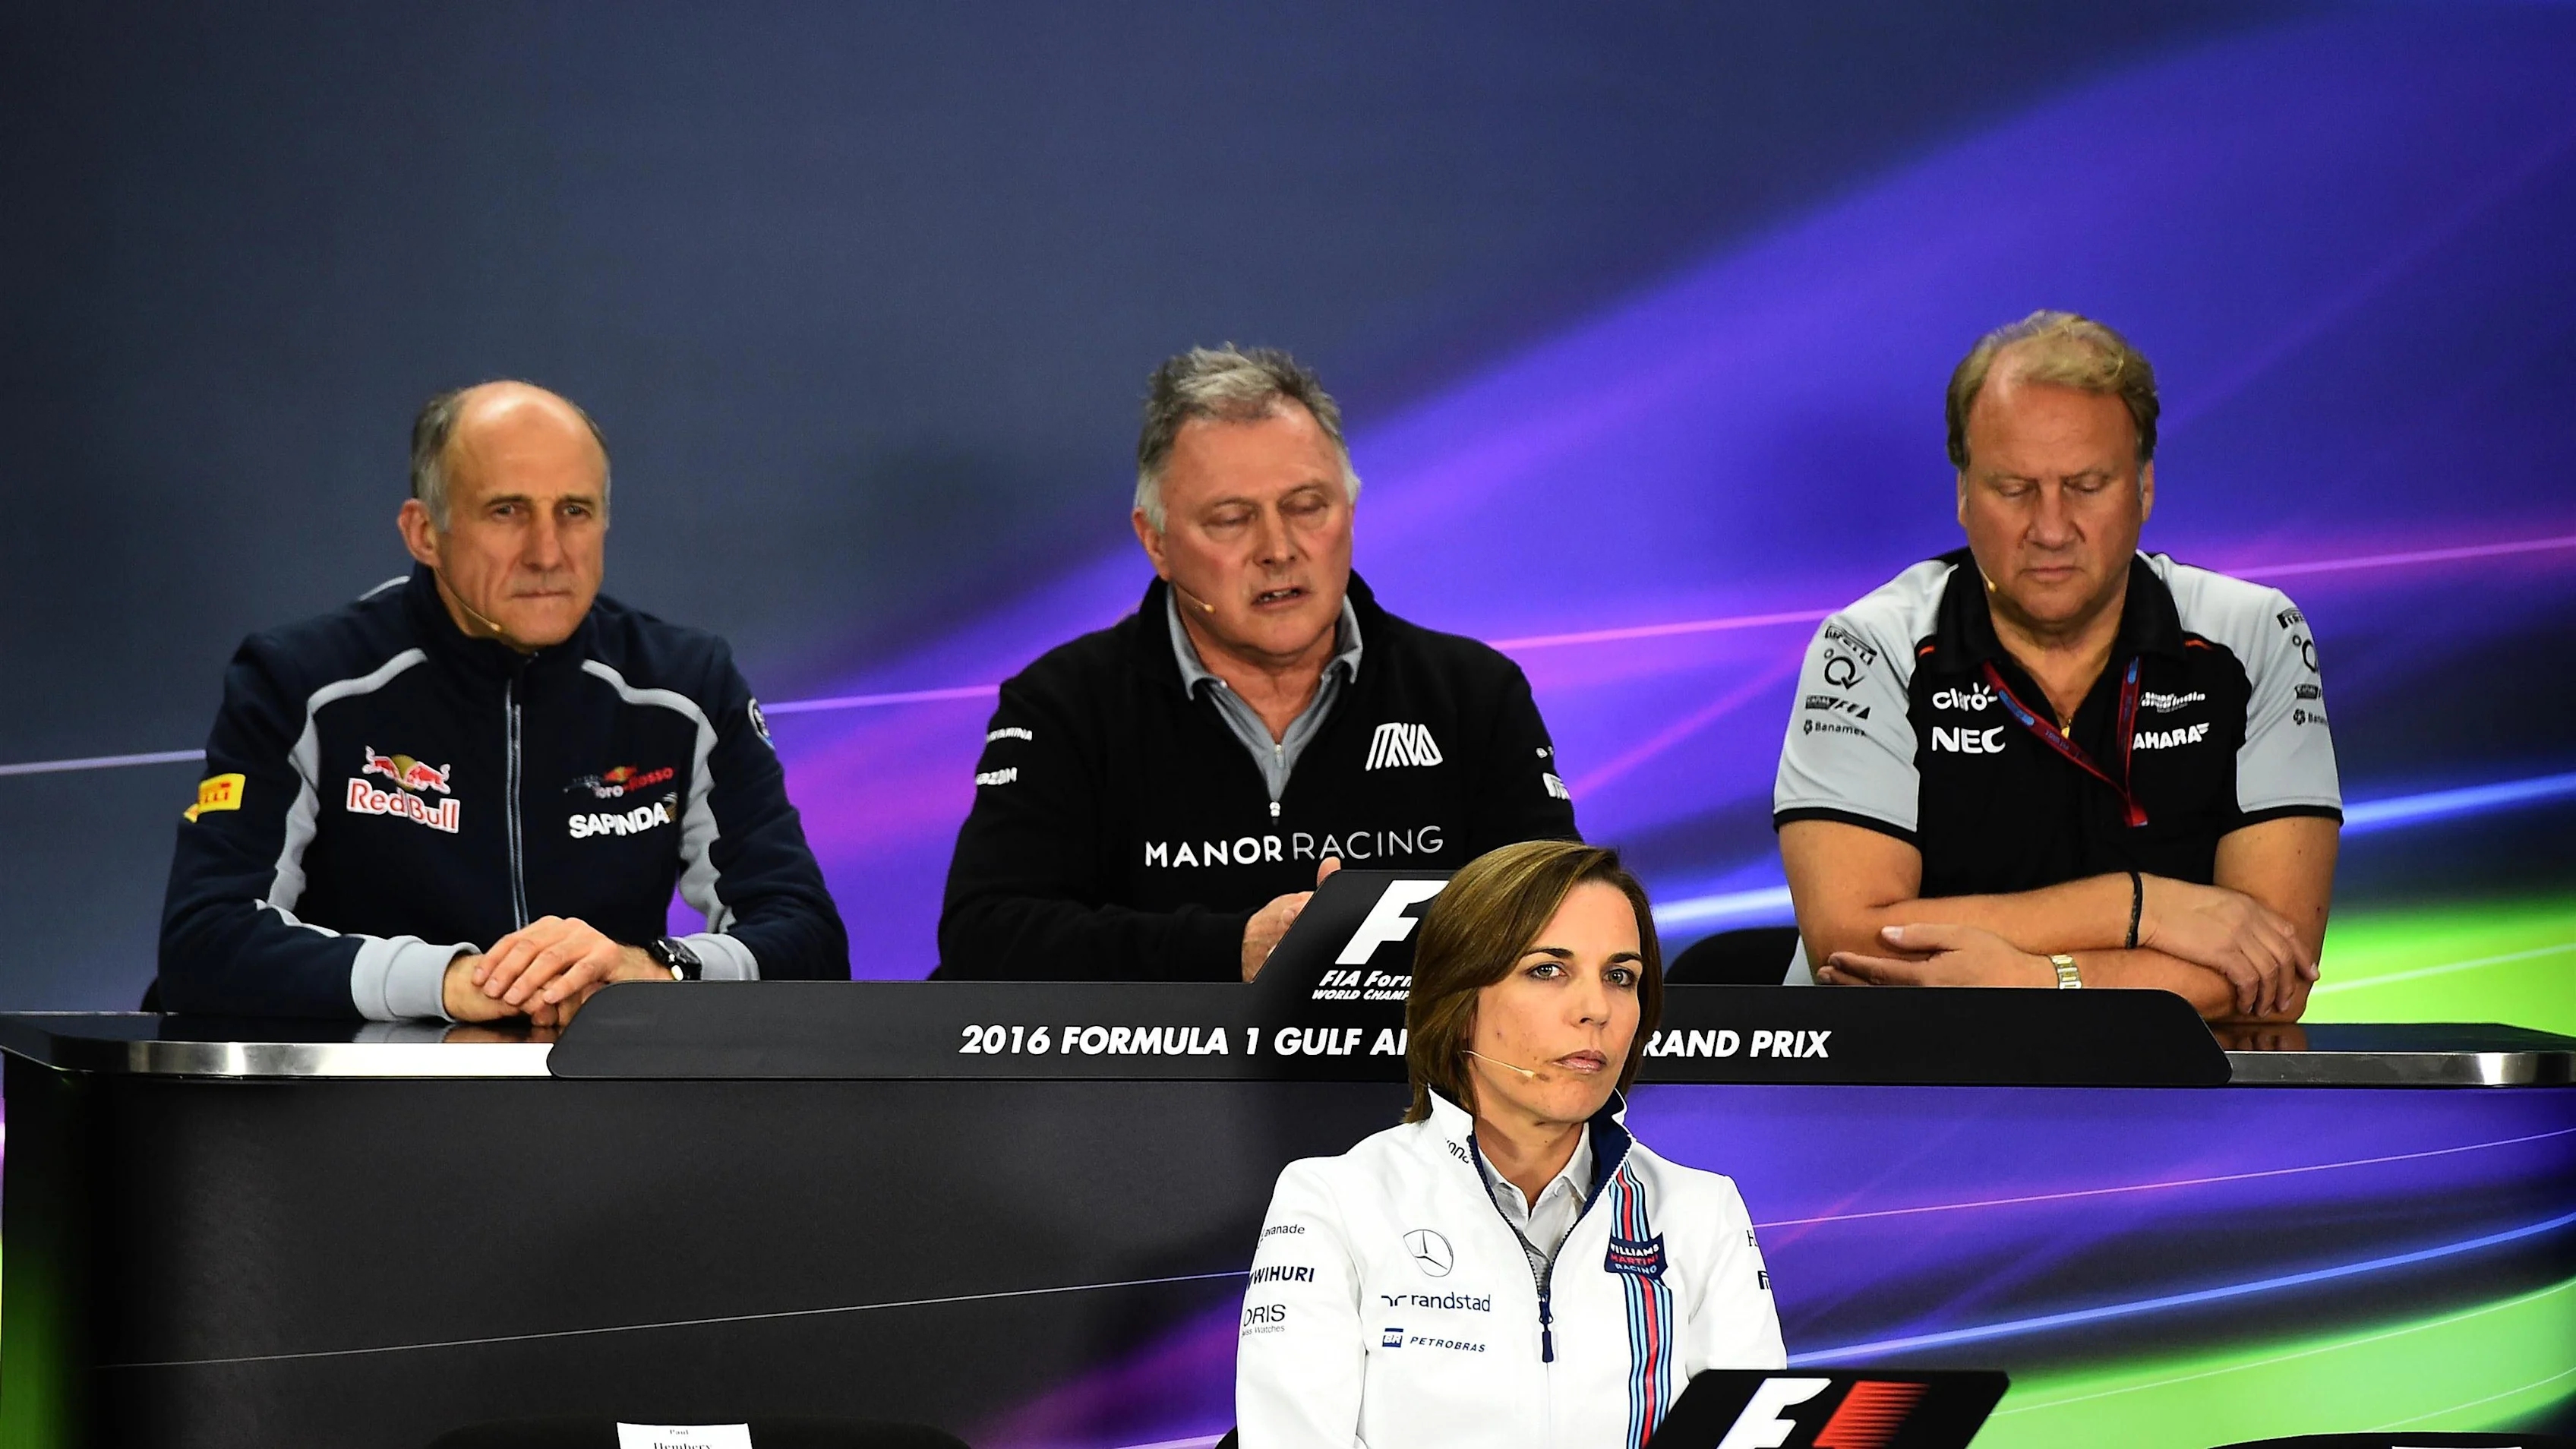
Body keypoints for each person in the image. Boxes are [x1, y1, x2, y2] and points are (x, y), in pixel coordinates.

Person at [158, 381, 847, 1022]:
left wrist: (655, 972)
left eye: (574, 512)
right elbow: (208, 941)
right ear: (424, 533)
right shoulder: (301, 680)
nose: (548, 553)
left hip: (599, 1115)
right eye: (507, 512)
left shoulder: (684, 685)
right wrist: (457, 982)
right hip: (354, 1117)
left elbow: (809, 939)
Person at [935, 346, 1578, 982]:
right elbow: (988, 935)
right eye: (1232, 519)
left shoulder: (1472, 695)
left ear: (1350, 513)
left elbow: (1565, 926)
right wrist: (1230, 950)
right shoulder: (1065, 706)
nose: (1278, 549)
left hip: (1404, 1083)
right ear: (1155, 541)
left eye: (1306, 507)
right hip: (1154, 1085)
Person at [1773, 311, 2341, 1021]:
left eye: (2087, 485)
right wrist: (2143, 906)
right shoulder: (1869, 647)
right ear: (1962, 495)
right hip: (1897, 1091)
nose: (2049, 528)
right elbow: (1852, 942)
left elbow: (2274, 972)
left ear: (2144, 489)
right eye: (2013, 489)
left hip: (2174, 1110)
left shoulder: (2256, 636)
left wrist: (2043, 983)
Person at [1235, 840, 1784, 1447]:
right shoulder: (1333, 1201)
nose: (1595, 1009)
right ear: (1458, 999)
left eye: (1620, 976)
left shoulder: (1702, 1211)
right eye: (1547, 969)